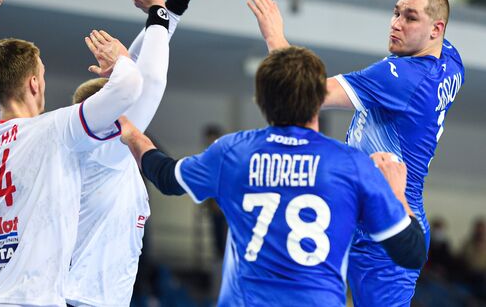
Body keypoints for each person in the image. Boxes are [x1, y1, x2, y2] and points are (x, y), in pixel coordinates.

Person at [246, 0, 465, 306]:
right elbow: (429, 18)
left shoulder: (399, 78)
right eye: (396, 13)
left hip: (386, 225)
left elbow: (303, 93)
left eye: (408, 18)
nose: (396, 23)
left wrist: (274, 38)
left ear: (435, 29)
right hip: (365, 213)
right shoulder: (450, 60)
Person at [117, 46, 426, 306]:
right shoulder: (352, 165)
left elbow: (166, 177)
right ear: (320, 99)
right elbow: (410, 252)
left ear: (261, 101)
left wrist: (132, 133)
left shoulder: (233, 153)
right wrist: (397, 193)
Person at [0, 0, 169, 306]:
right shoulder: (54, 131)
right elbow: (134, 88)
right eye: (44, 75)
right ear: (34, 84)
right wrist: (120, 59)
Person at [64, 0, 197, 307]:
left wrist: (175, 3)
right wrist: (156, 9)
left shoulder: (102, 145)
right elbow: (149, 80)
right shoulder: (100, 148)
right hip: (80, 300)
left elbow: (141, 64)